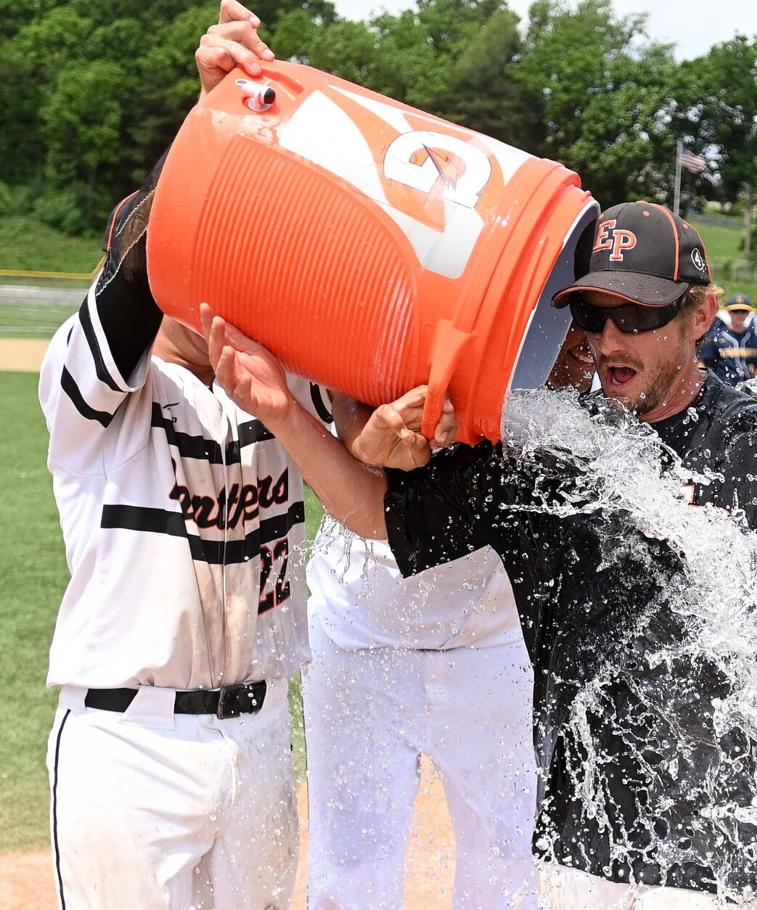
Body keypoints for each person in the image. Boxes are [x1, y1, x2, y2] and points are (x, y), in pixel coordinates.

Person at [208, 196, 757, 905]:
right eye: (591, 316)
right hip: (575, 856)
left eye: (637, 316)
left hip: (713, 864)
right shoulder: (557, 446)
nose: (607, 338)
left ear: (700, 317)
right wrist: (284, 414)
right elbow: (380, 515)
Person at [193, 7, 544, 905]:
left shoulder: (491, 314)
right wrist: (221, 109)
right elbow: (207, 236)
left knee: (506, 865)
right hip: (360, 627)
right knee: (353, 867)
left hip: (487, 633)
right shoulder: (302, 294)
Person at [36, 154, 334, 907]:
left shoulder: (279, 388)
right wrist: (213, 145)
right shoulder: (91, 398)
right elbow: (122, 302)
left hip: (258, 734)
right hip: (130, 744)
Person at [723, 293, 757, 382]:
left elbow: (756, 368)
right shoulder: (717, 337)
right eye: (736, 311)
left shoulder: (753, 338)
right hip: (723, 391)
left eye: (743, 311)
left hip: (746, 391)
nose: (740, 314)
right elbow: (704, 365)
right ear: (728, 312)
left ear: (748, 313)